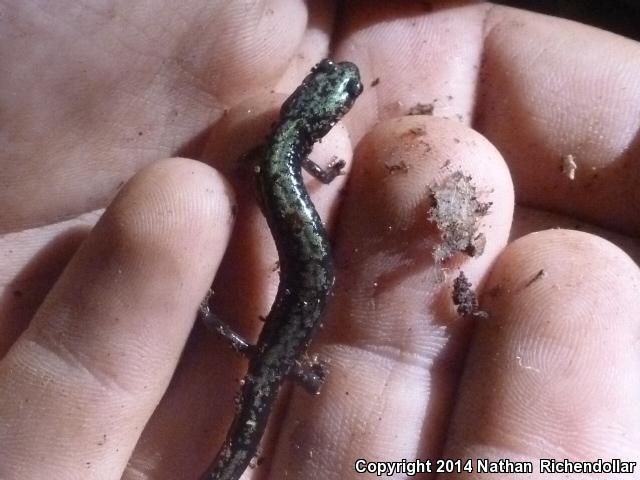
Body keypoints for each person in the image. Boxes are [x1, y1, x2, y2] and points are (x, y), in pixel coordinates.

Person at [1, 1, 638, 478]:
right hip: (304, 295)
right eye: (344, 92)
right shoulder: (286, 155)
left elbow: (272, 161)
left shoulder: (280, 149)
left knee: (270, 363)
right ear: (319, 115)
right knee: (272, 361)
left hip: (299, 294)